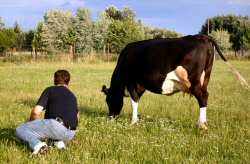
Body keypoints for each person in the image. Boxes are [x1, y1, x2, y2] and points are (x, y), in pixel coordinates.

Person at [16, 70, 78, 155]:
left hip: (56, 127)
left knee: (21, 129)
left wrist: (31, 124)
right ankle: (59, 144)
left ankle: (39, 145)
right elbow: (77, 116)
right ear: (68, 81)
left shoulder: (50, 90)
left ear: (54, 80)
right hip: (71, 133)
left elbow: (36, 112)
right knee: (51, 128)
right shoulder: (73, 96)